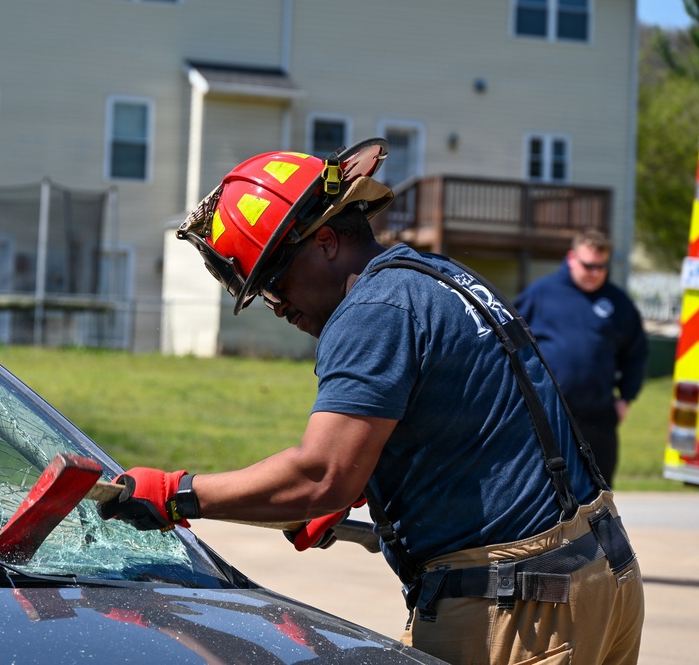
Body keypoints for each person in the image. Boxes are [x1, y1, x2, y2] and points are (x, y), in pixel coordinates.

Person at [97, 140, 644, 664]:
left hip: (519, 612)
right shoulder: (434, 278)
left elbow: (319, 475)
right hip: (598, 577)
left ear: (325, 241)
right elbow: (471, 420)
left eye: (275, 279)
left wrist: (177, 494)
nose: (276, 305)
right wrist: (361, 481)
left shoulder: (373, 309)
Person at [514, 230, 649, 488]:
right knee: (544, 489)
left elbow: (636, 354)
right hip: (547, 412)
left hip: (598, 416)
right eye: (589, 266)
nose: (595, 273)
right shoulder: (541, 294)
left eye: (601, 266)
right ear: (572, 258)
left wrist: (626, 398)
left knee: (597, 490)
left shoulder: (618, 302)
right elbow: (509, 343)